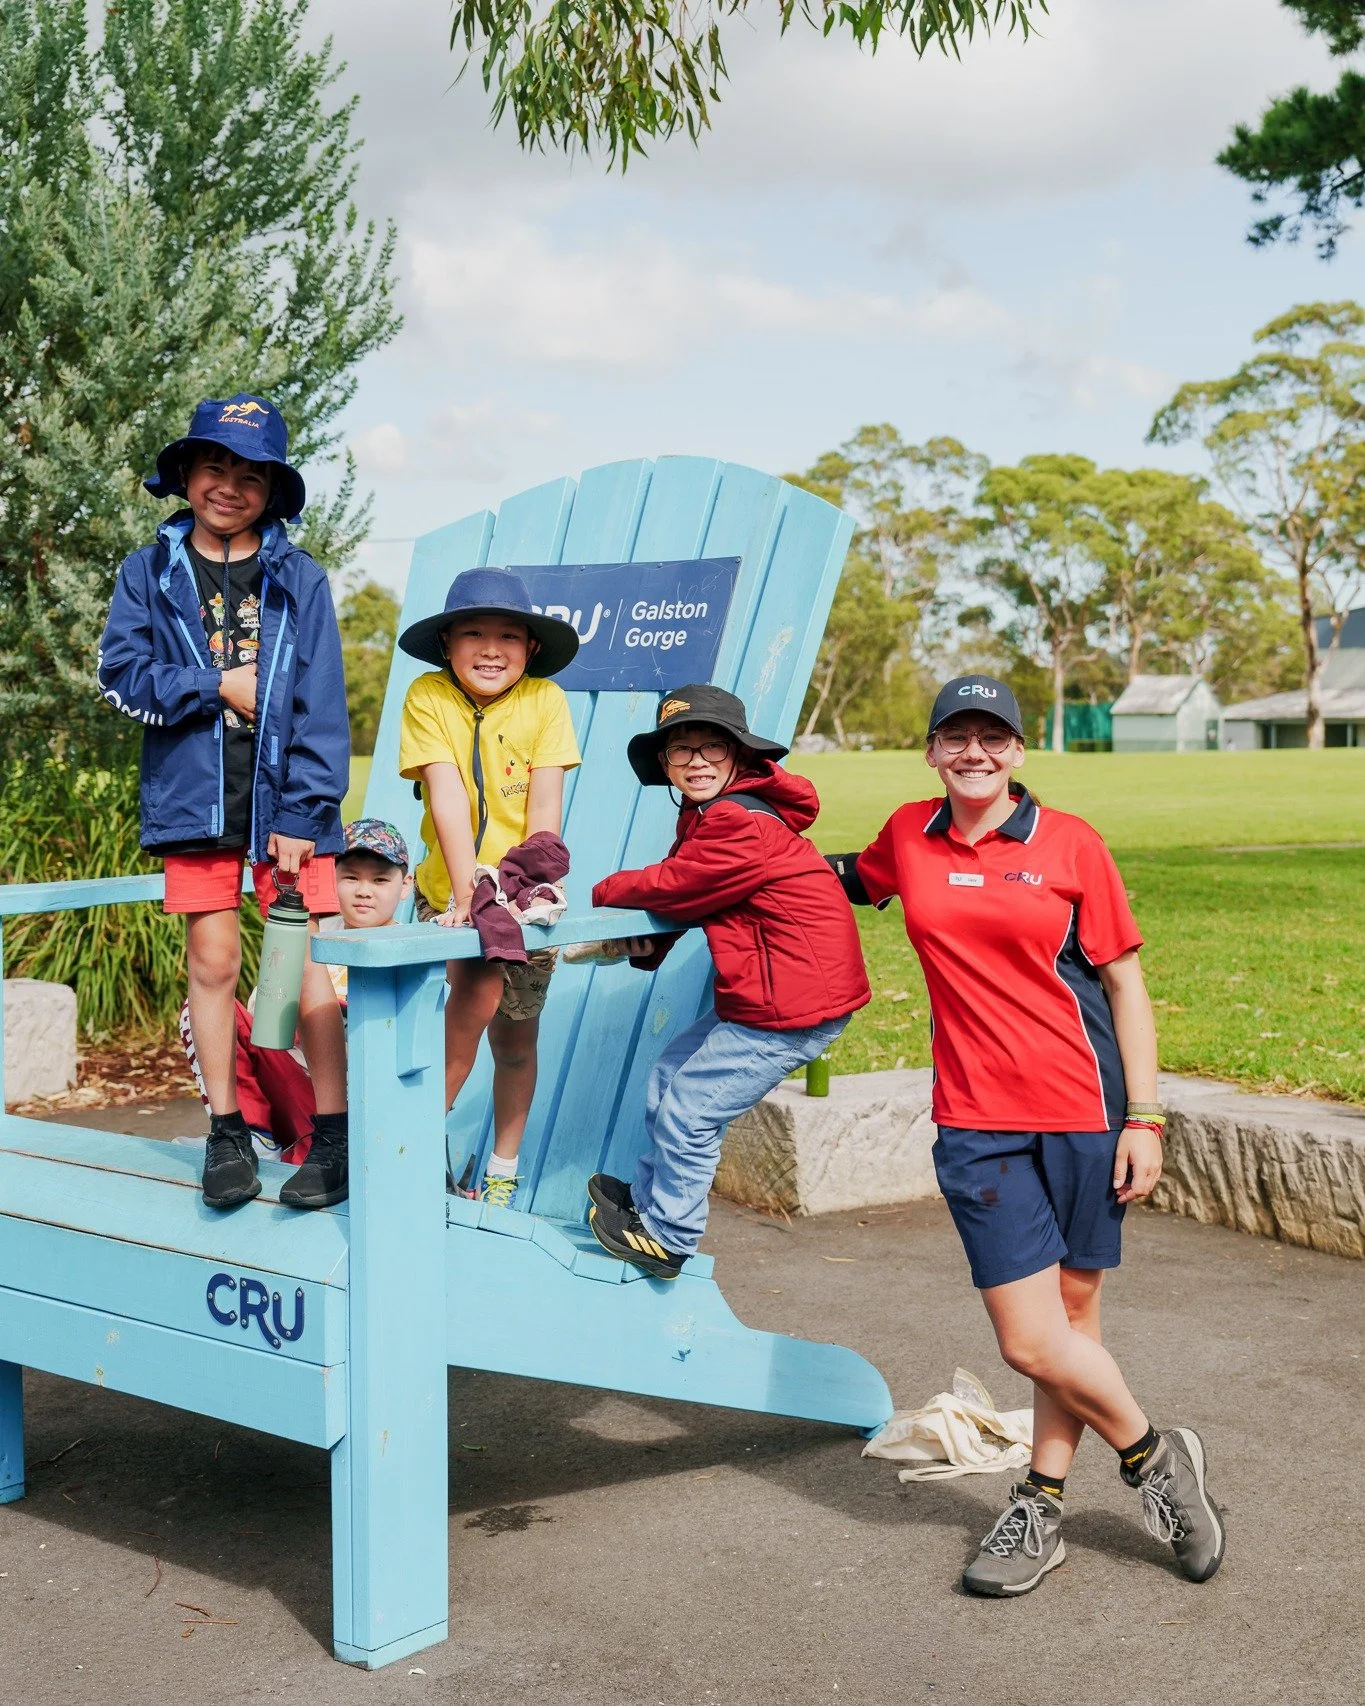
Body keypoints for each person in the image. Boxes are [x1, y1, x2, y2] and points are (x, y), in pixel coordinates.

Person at [832, 674, 1224, 1596]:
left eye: (991, 737)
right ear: (930, 752)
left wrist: (1145, 1116)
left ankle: (1040, 1504)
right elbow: (833, 877)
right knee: (1030, 1341)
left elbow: (1125, 987)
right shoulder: (906, 835)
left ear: (1017, 749)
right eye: (954, 737)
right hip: (975, 1121)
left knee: (1073, 1325)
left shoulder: (1070, 843)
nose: (973, 752)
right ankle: (1154, 1460)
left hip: (1086, 1112)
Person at [99, 394, 350, 1212]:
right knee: (213, 966)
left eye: (251, 474)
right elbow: (123, 678)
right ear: (185, 476)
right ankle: (227, 1132)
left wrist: (304, 815)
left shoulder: (300, 578)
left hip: (287, 812)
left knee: (307, 973)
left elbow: (322, 700)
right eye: (215, 467)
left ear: (272, 491)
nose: (230, 486)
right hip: (194, 808)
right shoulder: (149, 571)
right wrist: (217, 685)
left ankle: (332, 1138)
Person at [587, 684, 870, 1279]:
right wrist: (647, 945)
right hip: (768, 989)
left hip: (793, 1001)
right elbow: (698, 896)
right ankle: (650, 1205)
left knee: (690, 1111)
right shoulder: (709, 815)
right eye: (679, 750)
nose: (695, 762)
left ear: (738, 756)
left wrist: (602, 897)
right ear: (664, 763)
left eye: (711, 748)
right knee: (669, 1075)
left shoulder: (740, 822)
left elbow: (674, 885)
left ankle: (669, 1236)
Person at [396, 568, 581, 1207]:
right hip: (453, 891)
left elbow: (544, 806)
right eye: (474, 633)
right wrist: (463, 889)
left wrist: (525, 884)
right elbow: (445, 792)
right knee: (469, 1011)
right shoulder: (428, 695)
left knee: (515, 1037)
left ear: (530, 648)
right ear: (447, 642)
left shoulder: (545, 700)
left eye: (509, 634)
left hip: (524, 891)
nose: (492, 647)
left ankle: (501, 1171)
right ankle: (412, 1162)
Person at [178, 819, 412, 1171]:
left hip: (354, 1105)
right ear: (331, 877)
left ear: (406, 885)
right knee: (202, 1012)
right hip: (290, 1079)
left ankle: (309, 1148)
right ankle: (255, 1135)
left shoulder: (412, 953)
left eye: (380, 880)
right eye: (351, 877)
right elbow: (266, 1014)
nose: (365, 891)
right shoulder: (311, 940)